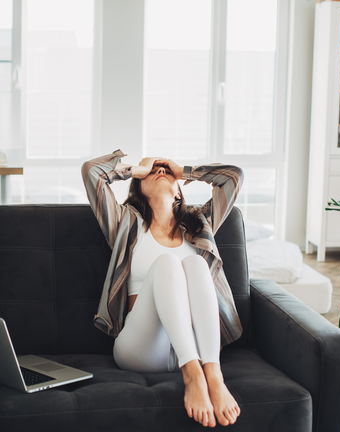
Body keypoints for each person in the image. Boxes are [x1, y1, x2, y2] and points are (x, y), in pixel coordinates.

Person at [81, 150, 244, 428]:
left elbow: (233, 177)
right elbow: (91, 172)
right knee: (167, 263)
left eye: (166, 170)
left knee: (195, 263)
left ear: (179, 191)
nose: (160, 170)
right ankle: (193, 375)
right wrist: (136, 169)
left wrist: (185, 170)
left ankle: (212, 374)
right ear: (138, 188)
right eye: (153, 170)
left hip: (196, 341)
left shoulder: (199, 225)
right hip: (142, 346)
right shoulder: (126, 224)